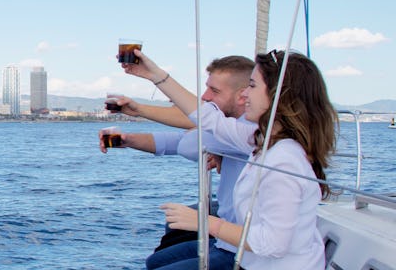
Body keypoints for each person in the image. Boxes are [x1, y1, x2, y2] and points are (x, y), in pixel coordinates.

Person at [134, 49, 335, 269]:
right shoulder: (262, 141)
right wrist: (154, 74)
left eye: (253, 85)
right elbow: (209, 119)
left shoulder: (283, 159)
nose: (246, 94)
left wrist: (205, 222)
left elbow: (272, 243)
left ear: (279, 95)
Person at [101, 56, 256, 269]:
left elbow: (189, 144)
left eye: (215, 91)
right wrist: (128, 140)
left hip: (243, 254)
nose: (205, 97)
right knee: (155, 261)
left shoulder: (247, 130)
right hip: (227, 243)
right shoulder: (233, 130)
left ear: (242, 96)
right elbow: (178, 141)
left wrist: (147, 98)